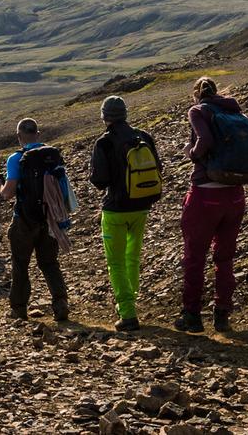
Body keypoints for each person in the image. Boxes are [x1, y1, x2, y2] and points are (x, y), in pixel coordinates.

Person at [177, 77, 248, 334]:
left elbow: (204, 140)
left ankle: (192, 316)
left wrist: (193, 155)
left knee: (195, 257)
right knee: (225, 257)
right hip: (235, 196)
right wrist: (243, 163)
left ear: (196, 95)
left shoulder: (197, 110)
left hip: (205, 193)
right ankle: (222, 316)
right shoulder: (236, 112)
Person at [89, 95, 162, 331]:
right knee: (132, 257)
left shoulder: (105, 142)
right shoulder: (143, 136)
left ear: (105, 117)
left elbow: (100, 180)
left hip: (115, 210)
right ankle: (131, 300)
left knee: (116, 262)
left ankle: (128, 312)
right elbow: (158, 169)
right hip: (141, 207)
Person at [0, 118, 76, 321]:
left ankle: (19, 308)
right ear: (38, 134)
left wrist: (1, 188)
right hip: (51, 218)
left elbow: (8, 192)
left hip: (24, 218)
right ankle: (60, 302)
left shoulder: (16, 158)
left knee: (20, 263)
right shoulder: (53, 156)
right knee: (49, 262)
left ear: (18, 136)